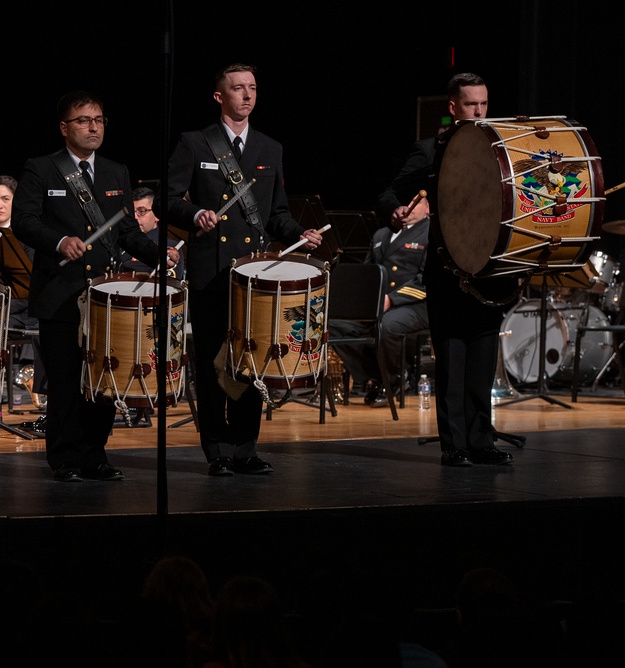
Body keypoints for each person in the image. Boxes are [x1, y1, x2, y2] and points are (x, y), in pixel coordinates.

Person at [164, 63, 323, 477]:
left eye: (252, 87)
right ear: (220, 96)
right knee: (217, 360)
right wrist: (195, 212)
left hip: (254, 274)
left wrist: (299, 232)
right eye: (238, 89)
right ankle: (216, 448)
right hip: (211, 271)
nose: (247, 95)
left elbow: (277, 214)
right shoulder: (196, 143)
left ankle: (245, 448)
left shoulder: (271, 148)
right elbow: (167, 200)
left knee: (251, 361)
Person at [11, 89, 178, 483]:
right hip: (61, 294)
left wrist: (159, 253)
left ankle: (94, 454)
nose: (93, 127)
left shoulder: (115, 171)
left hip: (106, 296)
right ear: (64, 127)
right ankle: (65, 458)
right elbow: (24, 221)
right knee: (67, 380)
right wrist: (57, 241)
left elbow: (124, 232)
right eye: (84, 120)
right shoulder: (42, 168)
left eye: (99, 120)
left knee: (104, 379)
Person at [381, 72, 516, 466]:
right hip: (448, 272)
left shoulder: (500, 149)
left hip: (490, 271)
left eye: (484, 104)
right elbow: (390, 192)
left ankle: (481, 442)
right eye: (471, 104)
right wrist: (396, 210)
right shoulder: (430, 151)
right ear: (453, 107)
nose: (479, 111)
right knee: (453, 362)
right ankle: (453, 445)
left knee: (482, 361)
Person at [328, 196, 430, 408]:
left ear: (427, 208)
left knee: (388, 325)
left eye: (415, 203)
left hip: (415, 304)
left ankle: (392, 380)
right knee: (334, 325)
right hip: (379, 304)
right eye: (403, 203)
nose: (407, 207)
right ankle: (379, 375)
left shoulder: (430, 233)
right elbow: (368, 274)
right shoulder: (382, 234)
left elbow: (425, 280)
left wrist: (392, 299)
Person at [0, 175, 46, 416]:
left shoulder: (27, 237)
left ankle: (44, 399)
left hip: (23, 311)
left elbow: (29, 284)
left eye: (5, 199)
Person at [120, 185, 185, 278]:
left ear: (157, 215)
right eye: (131, 212)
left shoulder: (170, 248)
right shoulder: (119, 243)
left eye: (141, 211)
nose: (134, 217)